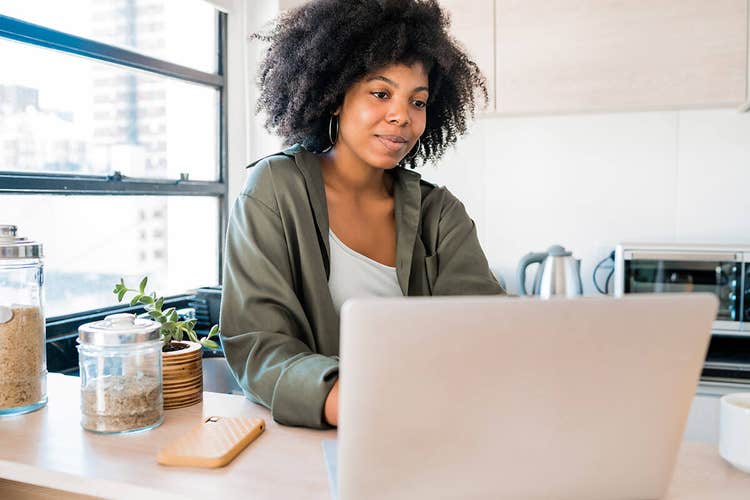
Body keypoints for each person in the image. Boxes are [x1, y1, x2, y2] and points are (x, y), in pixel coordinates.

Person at [219, 0, 506, 430]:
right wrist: (354, 404)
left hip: (430, 429)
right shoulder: (274, 191)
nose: (401, 116)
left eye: (418, 101)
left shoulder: (439, 213)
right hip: (321, 440)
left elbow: (489, 330)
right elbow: (259, 346)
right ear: (335, 97)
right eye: (381, 93)